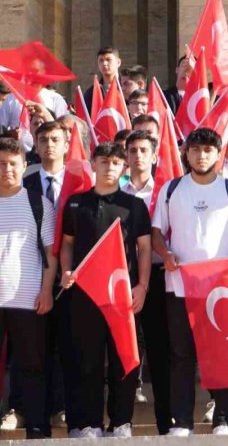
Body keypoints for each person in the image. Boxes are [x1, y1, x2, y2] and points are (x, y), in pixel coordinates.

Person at [151, 128, 228, 435]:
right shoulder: (171, 189)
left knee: (223, 352)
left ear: (218, 154)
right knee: (181, 355)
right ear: (187, 153)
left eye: (208, 150)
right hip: (181, 286)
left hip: (221, 289)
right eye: (196, 150)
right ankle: (182, 421)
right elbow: (157, 232)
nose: (201, 156)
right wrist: (166, 253)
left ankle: (224, 419)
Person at [59, 141, 152, 438]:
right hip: (85, 296)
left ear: (123, 167)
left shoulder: (133, 205)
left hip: (122, 296)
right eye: (103, 161)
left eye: (115, 162)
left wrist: (142, 286)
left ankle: (121, 421)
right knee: (87, 360)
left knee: (123, 358)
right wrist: (66, 271)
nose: (109, 167)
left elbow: (145, 249)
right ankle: (90, 423)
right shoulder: (76, 203)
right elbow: (67, 245)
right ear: (93, 164)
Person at [0, 137, 57, 439]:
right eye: (1, 163)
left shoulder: (39, 203)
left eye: (12, 164)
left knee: (32, 367)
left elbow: (51, 253)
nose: (7, 169)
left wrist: (47, 290)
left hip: (27, 299)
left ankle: (37, 429)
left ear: (24, 167)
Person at [120, 130, 171, 434]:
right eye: (133, 150)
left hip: (160, 278)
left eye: (144, 150)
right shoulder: (116, 190)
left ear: (154, 156)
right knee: (124, 351)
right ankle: (122, 419)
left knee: (161, 352)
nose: (138, 155)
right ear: (126, 156)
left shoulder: (165, 190)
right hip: (125, 278)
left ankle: (166, 423)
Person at [83, 47, 122, 114]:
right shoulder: (92, 92)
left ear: (118, 62)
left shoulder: (125, 87)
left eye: (108, 60)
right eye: (101, 60)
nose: (104, 63)